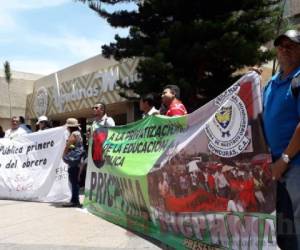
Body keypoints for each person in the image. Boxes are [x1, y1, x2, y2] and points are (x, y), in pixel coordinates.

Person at [262, 29, 300, 250]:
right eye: (281, 45)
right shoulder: (272, 83)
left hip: (293, 166)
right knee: (282, 228)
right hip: (273, 166)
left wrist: (283, 160)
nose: (285, 49)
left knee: (295, 227)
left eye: (292, 45)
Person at [62, 118, 85, 207]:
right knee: (75, 180)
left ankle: (74, 201)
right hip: (78, 159)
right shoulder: (79, 133)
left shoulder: (73, 134)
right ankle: (75, 200)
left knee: (73, 180)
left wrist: (64, 155)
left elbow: (68, 145)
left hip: (73, 160)